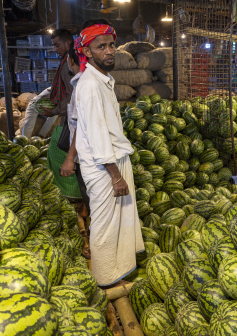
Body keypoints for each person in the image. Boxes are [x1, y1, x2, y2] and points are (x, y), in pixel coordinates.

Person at [74, 20, 144, 287]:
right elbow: (97, 134)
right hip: (104, 168)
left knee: (117, 222)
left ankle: (117, 271)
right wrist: (115, 176)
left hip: (111, 162)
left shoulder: (102, 80)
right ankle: (104, 280)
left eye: (111, 44)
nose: (109, 51)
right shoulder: (90, 85)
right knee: (105, 226)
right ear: (88, 52)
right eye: (101, 47)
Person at [59, 43, 91, 259]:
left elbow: (81, 125)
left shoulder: (82, 85)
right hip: (88, 156)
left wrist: (70, 158)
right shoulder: (88, 83)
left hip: (85, 157)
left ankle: (93, 244)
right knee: (90, 201)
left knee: (91, 201)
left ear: (71, 61)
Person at [43, 29, 82, 200]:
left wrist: (55, 110)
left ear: (68, 43)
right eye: (53, 45)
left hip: (70, 120)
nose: (55, 49)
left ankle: (72, 199)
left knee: (62, 156)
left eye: (57, 45)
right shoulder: (66, 63)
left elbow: (72, 97)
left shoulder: (69, 64)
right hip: (68, 118)